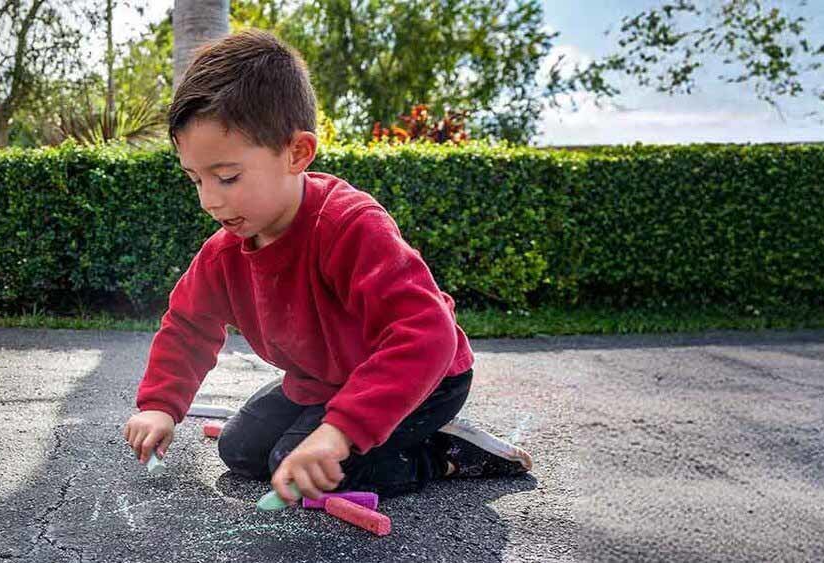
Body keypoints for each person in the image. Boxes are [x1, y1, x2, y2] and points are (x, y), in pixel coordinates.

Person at [118, 30, 533, 505]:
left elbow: (427, 333)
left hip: (425, 379)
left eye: (228, 177)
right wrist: (160, 406)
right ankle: (344, 428)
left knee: (297, 465)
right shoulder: (224, 251)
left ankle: (441, 452)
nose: (209, 200)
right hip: (327, 381)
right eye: (195, 179)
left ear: (296, 153)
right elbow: (188, 326)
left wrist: (338, 432)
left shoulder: (349, 226)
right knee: (240, 451)